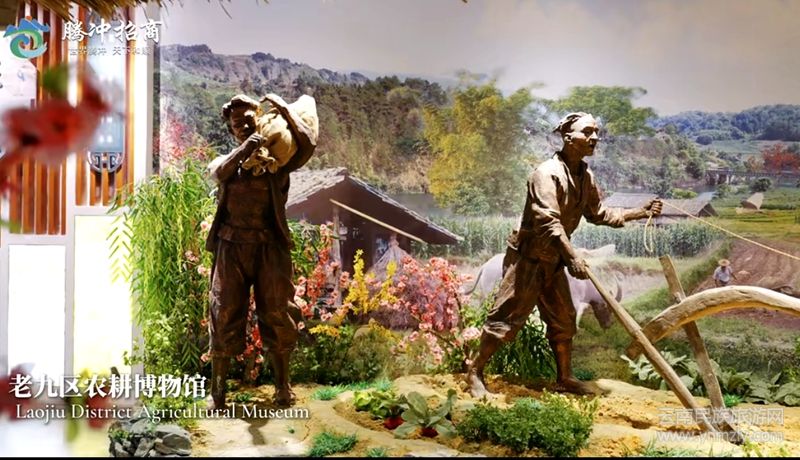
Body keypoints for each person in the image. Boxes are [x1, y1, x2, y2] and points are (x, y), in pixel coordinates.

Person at [465, 112, 663, 397]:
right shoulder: (546, 174)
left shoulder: (585, 176)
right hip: (529, 259)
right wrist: (572, 258)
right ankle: (475, 371)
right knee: (507, 318)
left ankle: (564, 378)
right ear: (569, 137)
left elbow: (598, 213)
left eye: (596, 132)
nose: (594, 138)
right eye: (587, 132)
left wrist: (639, 212)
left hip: (554, 260)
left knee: (564, 320)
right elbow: (548, 222)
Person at [205, 93, 317, 408]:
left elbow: (308, 144)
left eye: (248, 120)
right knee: (223, 312)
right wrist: (245, 149)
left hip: (270, 246)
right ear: (231, 130)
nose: (243, 126)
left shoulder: (276, 162)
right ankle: (218, 392)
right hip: (231, 247)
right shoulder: (228, 161)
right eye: (236, 124)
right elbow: (219, 173)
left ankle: (283, 387)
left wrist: (285, 109)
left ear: (260, 118)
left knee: (278, 312)